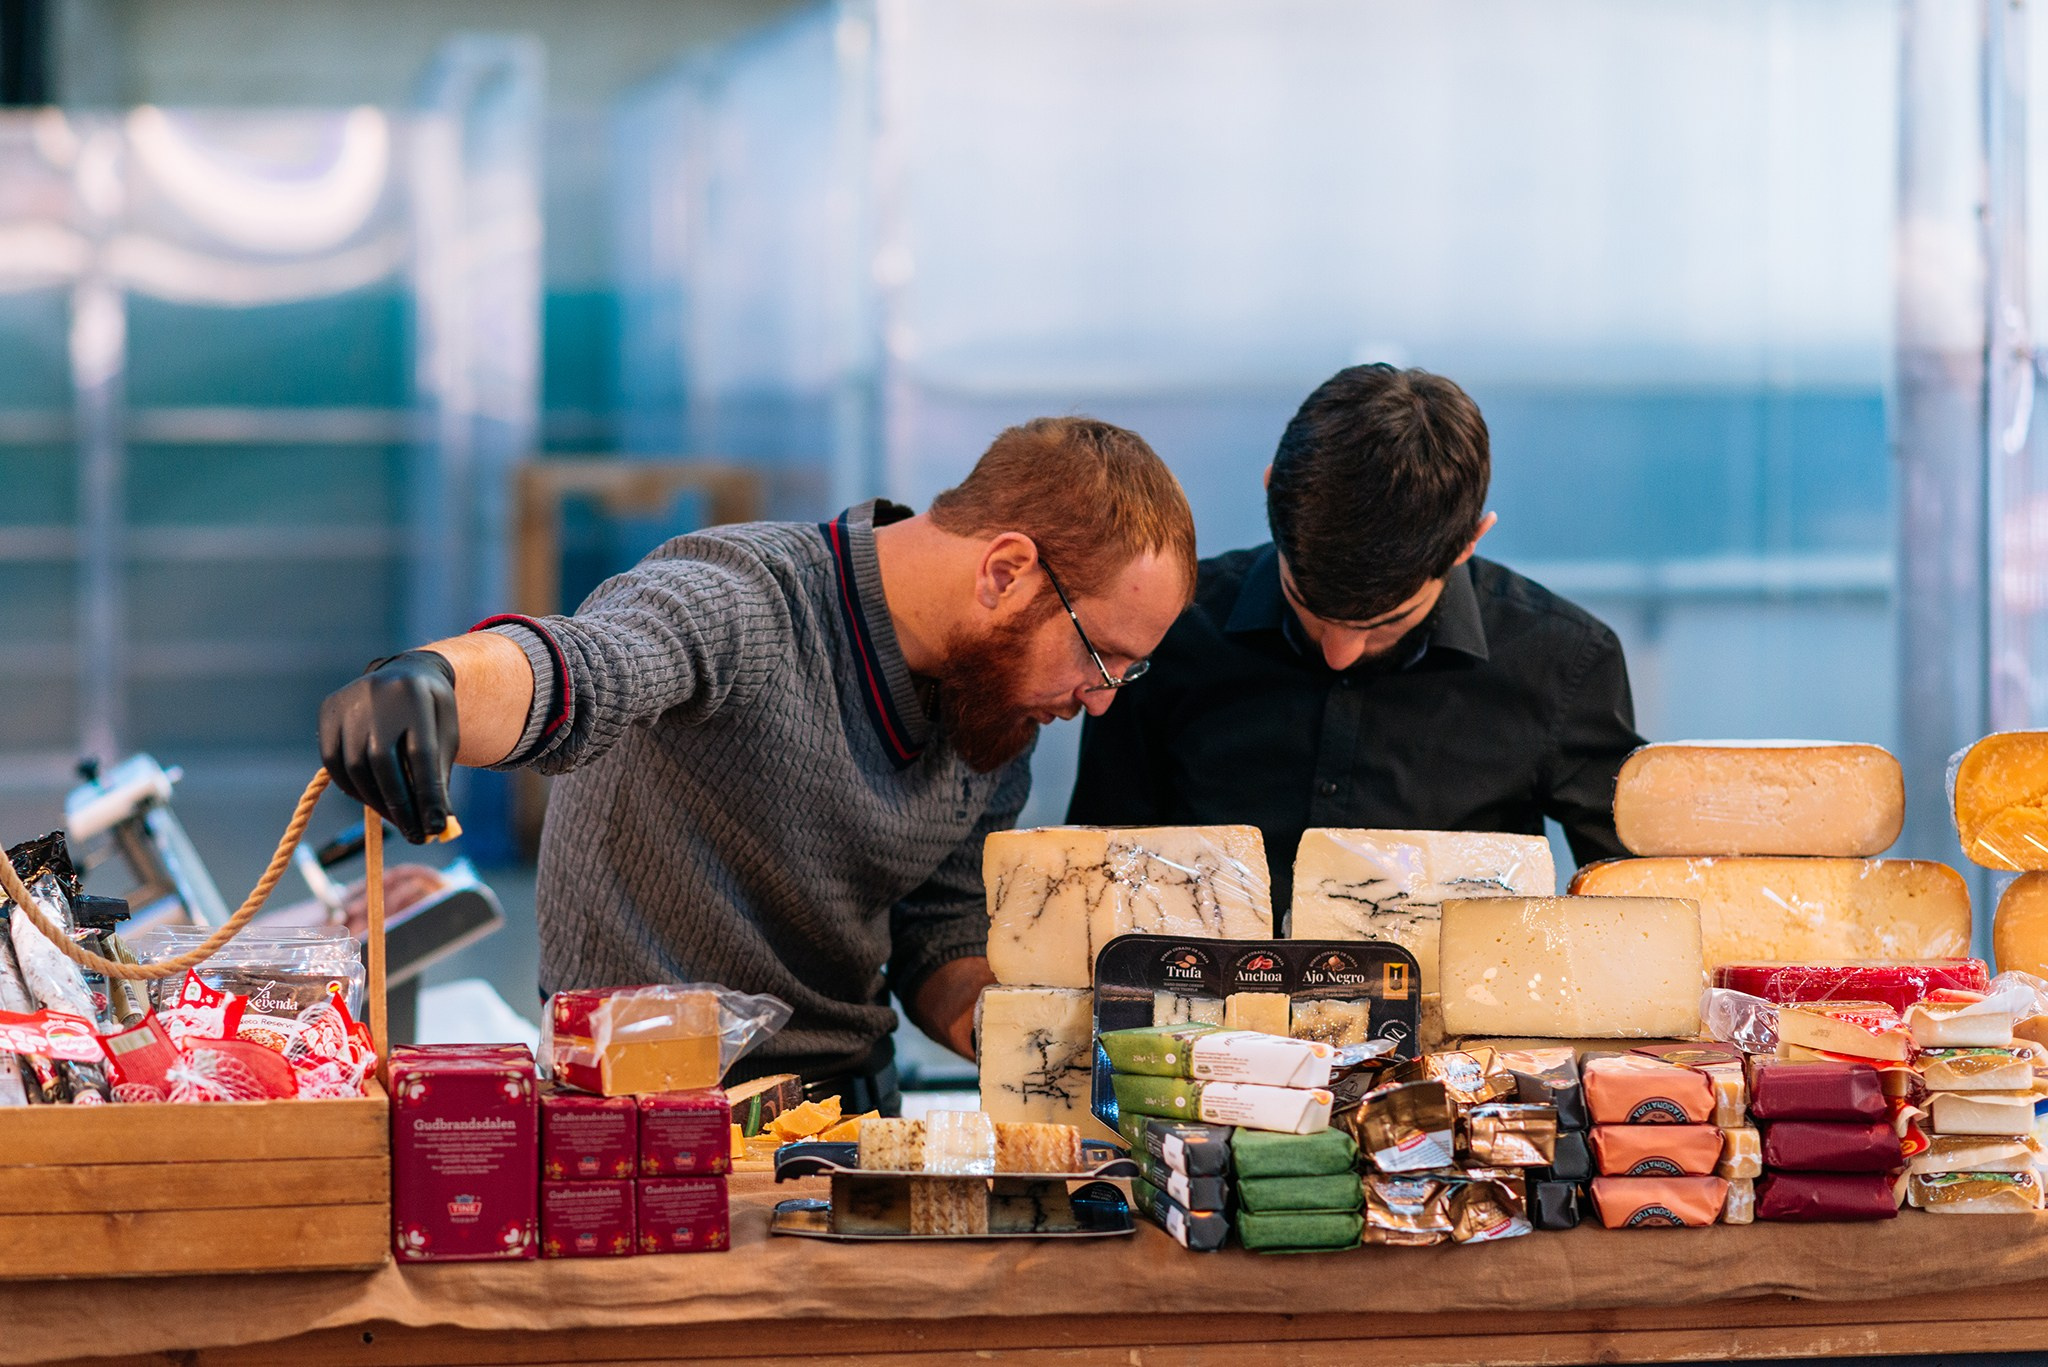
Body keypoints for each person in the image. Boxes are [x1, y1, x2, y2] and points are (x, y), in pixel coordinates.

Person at [319, 417, 1196, 1112]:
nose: (1103, 698)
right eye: (1100, 655)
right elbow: (585, 666)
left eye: (1130, 670)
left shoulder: (995, 701)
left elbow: (942, 931)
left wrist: (1028, 1030)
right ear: (1006, 570)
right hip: (644, 1120)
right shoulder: (744, 597)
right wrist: (434, 682)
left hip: (847, 1121)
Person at [1067, 364, 1644, 914]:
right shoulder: (1169, 633)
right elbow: (1088, 882)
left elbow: (1641, 909)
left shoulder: (1564, 664)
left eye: (1381, 624)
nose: (1337, 653)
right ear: (1270, 494)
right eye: (1307, 608)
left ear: (1469, 542)